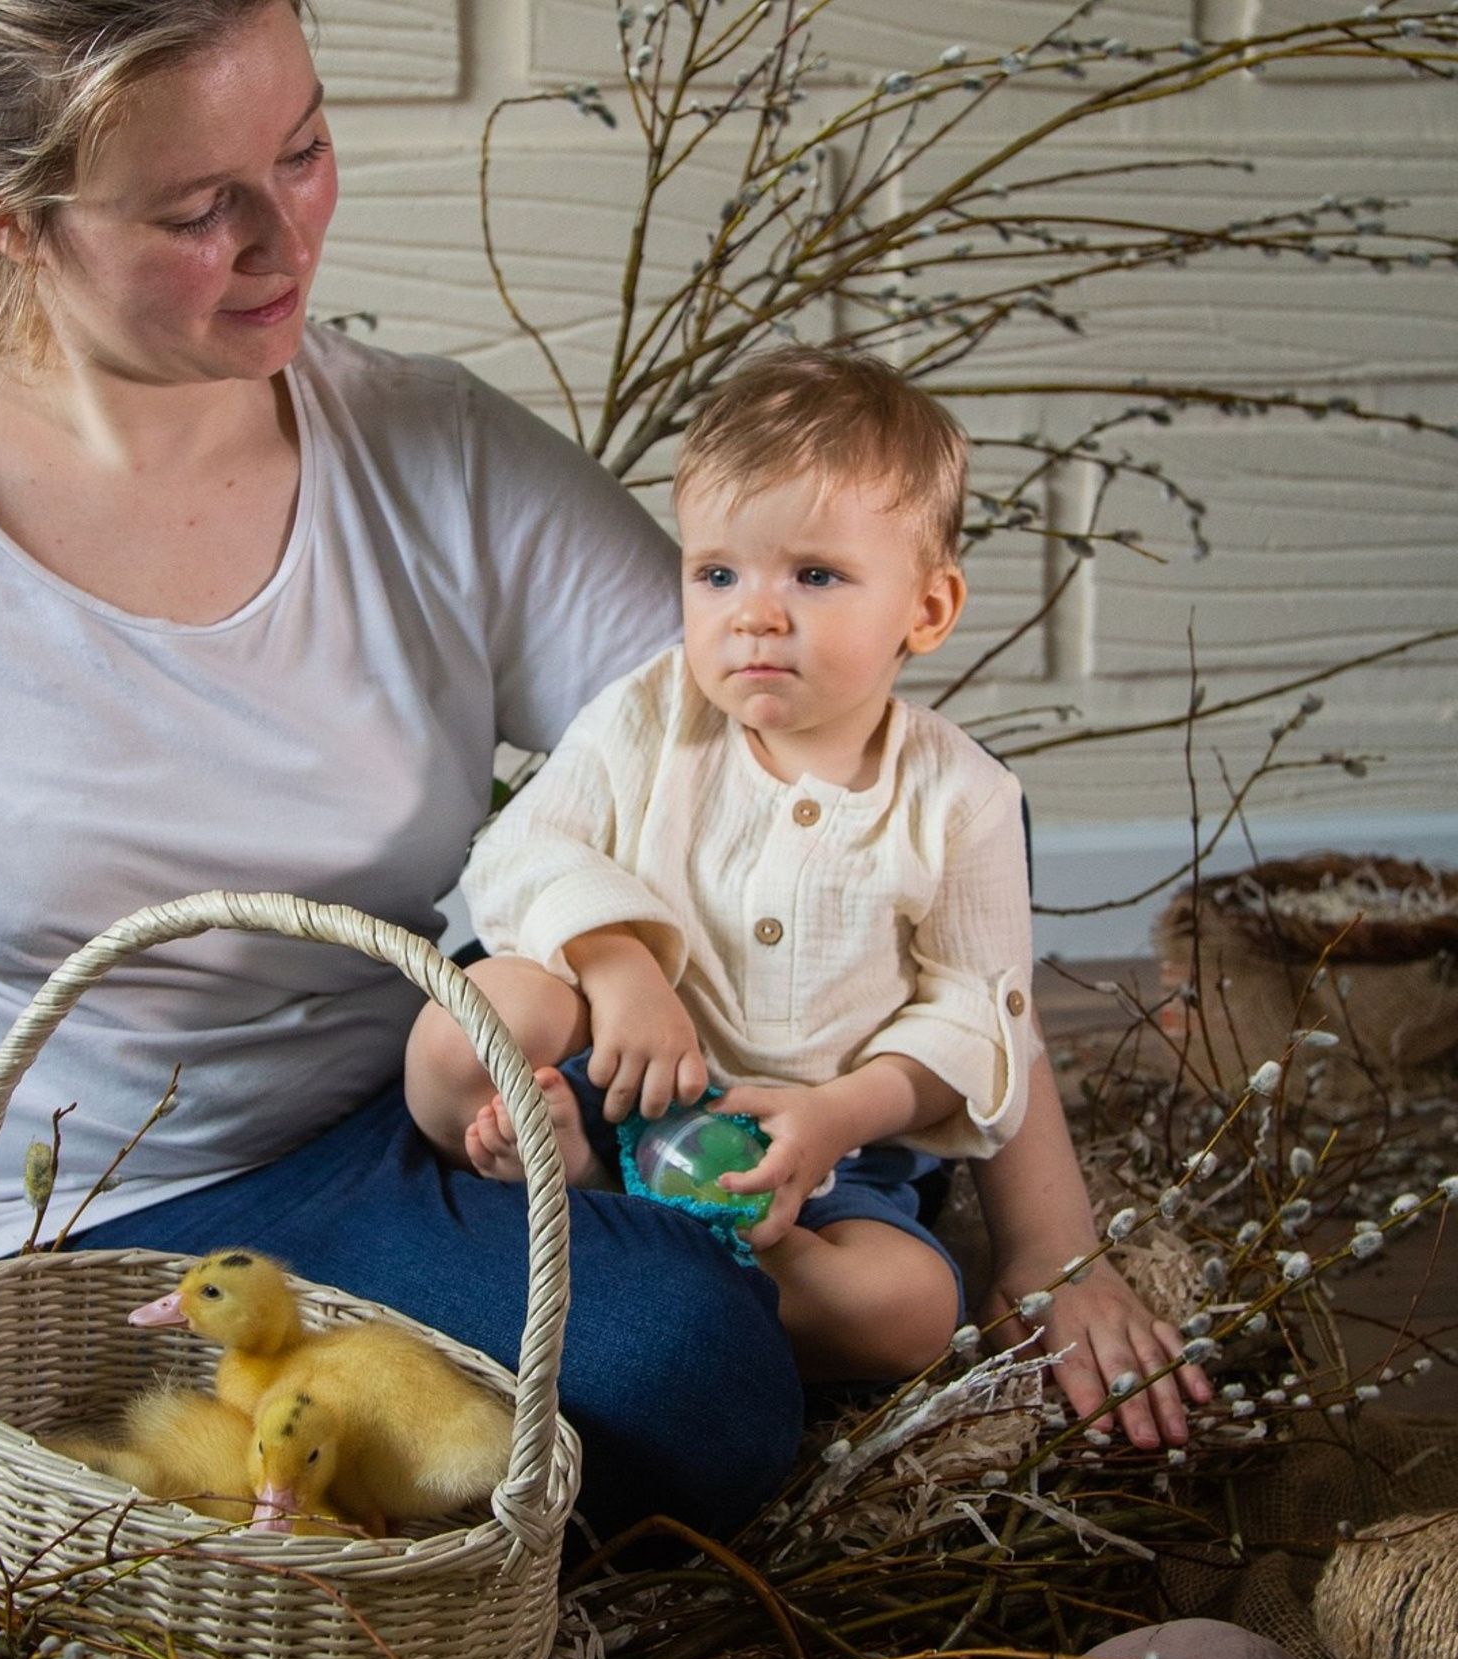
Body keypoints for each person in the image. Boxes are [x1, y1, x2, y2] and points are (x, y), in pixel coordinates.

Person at [0, 0, 1201, 1551]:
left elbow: (870, 780)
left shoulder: (428, 451)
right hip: (45, 1245)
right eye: (199, 211)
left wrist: (1052, 1247)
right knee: (659, 1377)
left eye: (305, 149)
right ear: (1, 218)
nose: (285, 242)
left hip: (410, 1132)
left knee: (702, 1334)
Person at [407, 350, 1214, 1420]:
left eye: (816, 577)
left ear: (927, 609)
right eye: (718, 575)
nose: (754, 614)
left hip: (832, 1160)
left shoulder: (961, 800)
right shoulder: (652, 715)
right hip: (618, 1086)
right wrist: (619, 965)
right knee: (465, 1031)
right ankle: (587, 1173)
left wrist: (837, 1114)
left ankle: (684, 1237)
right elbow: (518, 848)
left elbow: (980, 1017)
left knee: (914, 1309)